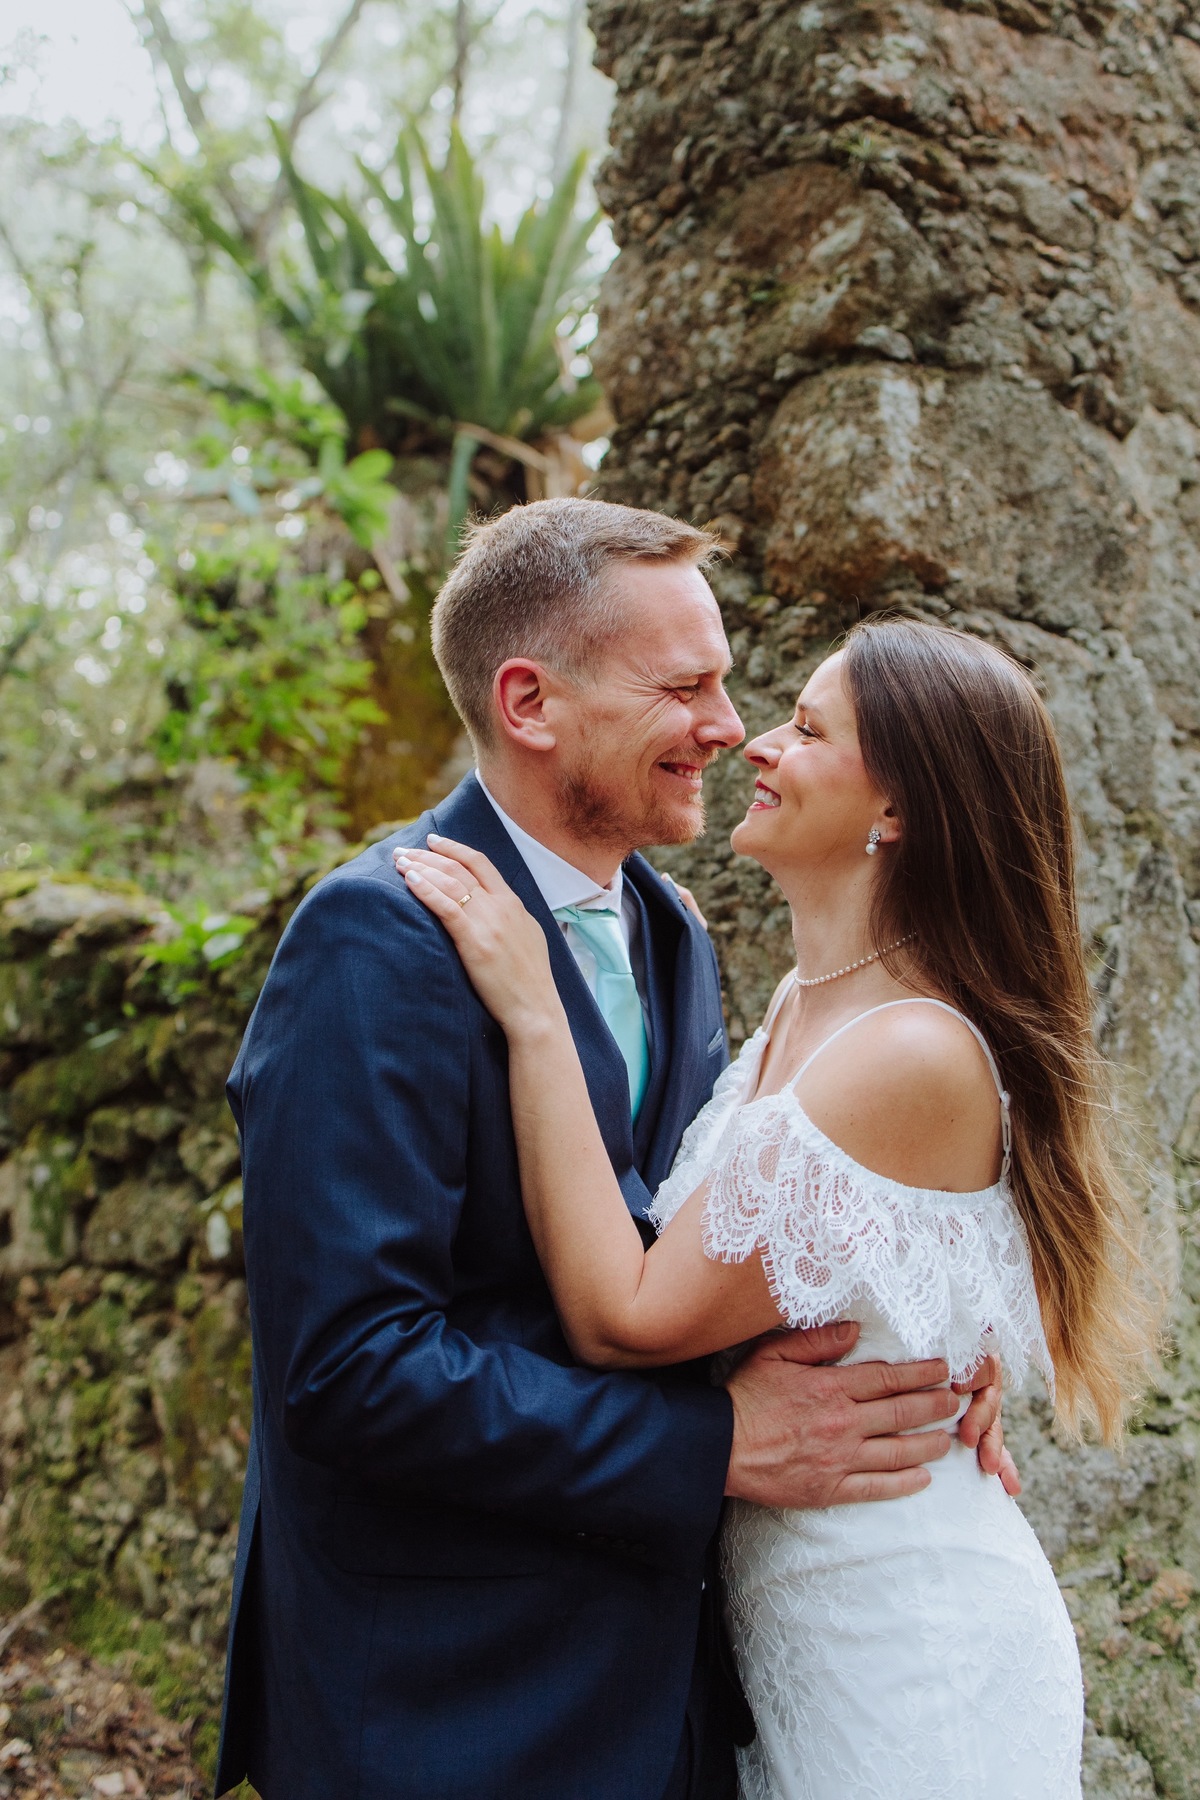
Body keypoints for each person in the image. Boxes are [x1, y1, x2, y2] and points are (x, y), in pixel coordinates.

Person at [214, 501, 1009, 1800]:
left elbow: (701, 1242)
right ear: (531, 704)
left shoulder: (668, 929)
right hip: (453, 1705)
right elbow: (348, 1369)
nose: (726, 725)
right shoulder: (376, 940)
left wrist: (912, 1343)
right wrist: (715, 1450)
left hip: (674, 1700)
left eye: (732, 684)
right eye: (684, 685)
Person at [398, 610, 1154, 1799]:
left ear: (895, 812)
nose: (754, 740)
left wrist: (535, 1012)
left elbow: (629, 1317)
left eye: (806, 728)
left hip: (909, 1650)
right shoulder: (797, 1012)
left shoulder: (908, 1054)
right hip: (795, 1644)